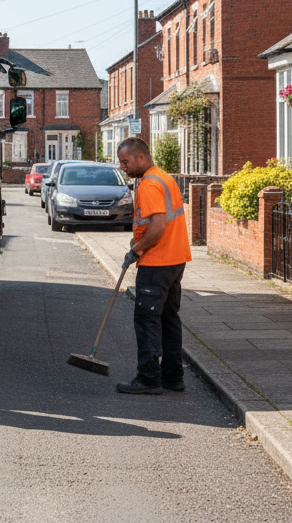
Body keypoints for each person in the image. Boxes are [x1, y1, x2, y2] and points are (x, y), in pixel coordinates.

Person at [115, 136, 192, 395]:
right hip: (176, 258)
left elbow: (158, 227)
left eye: (125, 162)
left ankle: (149, 378)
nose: (123, 167)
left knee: (147, 319)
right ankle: (173, 377)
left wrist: (136, 249)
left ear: (141, 157)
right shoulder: (164, 177)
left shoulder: (148, 184)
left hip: (157, 261)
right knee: (169, 318)